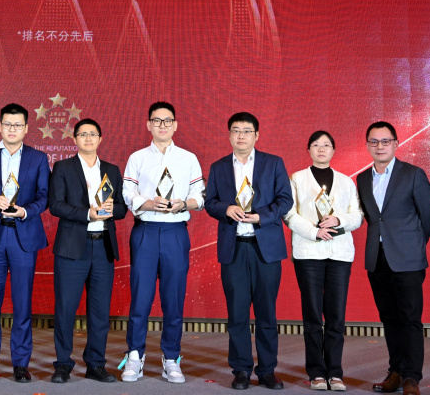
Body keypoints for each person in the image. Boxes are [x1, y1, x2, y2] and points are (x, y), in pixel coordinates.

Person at [203, 112, 292, 391]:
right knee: (237, 313)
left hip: (265, 249)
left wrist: (262, 216)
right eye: (236, 130)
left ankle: (267, 370)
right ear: (229, 135)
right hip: (234, 249)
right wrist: (226, 209)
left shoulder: (273, 163)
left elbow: (285, 200)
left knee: (267, 312)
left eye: (247, 131)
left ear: (257, 135)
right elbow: (210, 202)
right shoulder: (218, 167)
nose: (241, 135)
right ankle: (241, 369)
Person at [120, 101, 204, 384]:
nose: (163, 125)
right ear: (149, 125)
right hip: (145, 231)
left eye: (168, 121)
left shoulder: (188, 158)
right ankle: (135, 355)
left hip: (175, 233)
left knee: (173, 299)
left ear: (175, 125)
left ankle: (171, 358)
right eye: (157, 121)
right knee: (140, 298)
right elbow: (127, 193)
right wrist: (149, 203)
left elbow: (200, 195)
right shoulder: (137, 158)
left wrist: (183, 204)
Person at [0, 103, 50, 383]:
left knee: (22, 303)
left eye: (17, 125)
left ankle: (20, 364)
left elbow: (44, 197)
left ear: (26, 128)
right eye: (7, 124)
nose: (12, 129)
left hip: (23, 236)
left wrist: (25, 210)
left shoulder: (38, 158)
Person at [356, 122, 430, 395]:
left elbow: (429, 214)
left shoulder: (413, 174)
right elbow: (372, 218)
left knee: (410, 318)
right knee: (389, 318)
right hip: (377, 259)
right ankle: (396, 372)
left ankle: (412, 377)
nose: (379, 146)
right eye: (374, 141)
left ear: (396, 143)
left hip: (408, 259)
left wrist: (413, 243)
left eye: (385, 141)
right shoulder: (362, 179)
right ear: (367, 145)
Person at [49, 118, 128, 384]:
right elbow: (55, 205)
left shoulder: (111, 170)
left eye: (93, 134)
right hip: (72, 248)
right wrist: (87, 213)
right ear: (74, 139)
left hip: (103, 246)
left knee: (99, 310)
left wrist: (111, 211)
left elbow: (122, 208)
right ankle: (63, 364)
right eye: (83, 134)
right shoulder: (63, 168)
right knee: (65, 309)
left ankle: (95, 364)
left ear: (100, 139)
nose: (88, 138)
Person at [283, 131, 363, 391]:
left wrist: (339, 220)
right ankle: (317, 371)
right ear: (308, 149)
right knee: (312, 315)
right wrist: (313, 231)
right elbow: (288, 213)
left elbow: (357, 216)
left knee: (336, 316)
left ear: (333, 150)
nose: (321, 149)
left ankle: (335, 372)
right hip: (309, 253)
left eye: (326, 145)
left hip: (339, 254)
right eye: (316, 145)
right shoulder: (297, 178)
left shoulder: (346, 181)